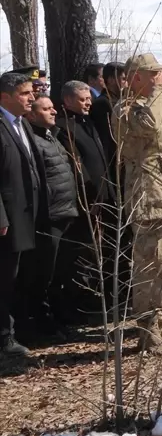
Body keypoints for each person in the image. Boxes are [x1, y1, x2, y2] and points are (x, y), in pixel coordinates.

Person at [112, 54, 162, 354]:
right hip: (151, 200)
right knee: (152, 267)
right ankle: (148, 331)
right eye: (155, 74)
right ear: (136, 77)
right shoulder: (127, 109)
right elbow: (148, 126)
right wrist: (158, 91)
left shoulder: (155, 103)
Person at [21, 94, 82, 341]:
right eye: (46, 109)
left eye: (53, 107)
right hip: (50, 216)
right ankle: (42, 323)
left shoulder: (52, 136)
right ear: (31, 115)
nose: (54, 111)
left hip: (66, 212)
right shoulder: (33, 141)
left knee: (61, 271)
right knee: (44, 273)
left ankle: (59, 316)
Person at [56, 79, 113, 318]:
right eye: (82, 99)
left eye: (89, 98)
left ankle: (95, 296)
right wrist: (90, 199)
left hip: (104, 194)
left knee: (100, 249)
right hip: (86, 200)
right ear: (68, 101)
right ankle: (79, 301)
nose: (88, 103)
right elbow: (77, 166)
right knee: (82, 252)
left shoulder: (88, 123)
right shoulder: (64, 127)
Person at [0, 72, 42, 356]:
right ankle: (4, 337)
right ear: (5, 97)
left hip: (29, 213)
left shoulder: (22, 123)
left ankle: (21, 328)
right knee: (4, 278)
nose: (32, 98)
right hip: (8, 218)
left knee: (20, 277)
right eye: (25, 93)